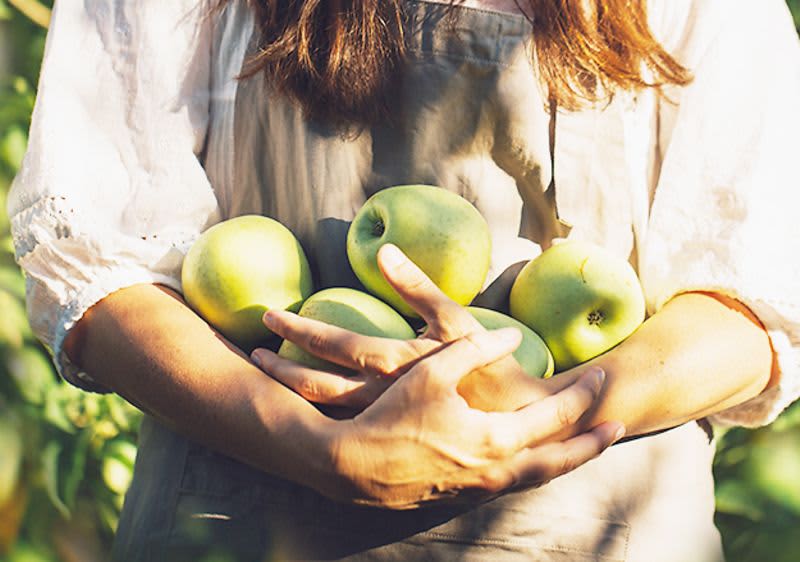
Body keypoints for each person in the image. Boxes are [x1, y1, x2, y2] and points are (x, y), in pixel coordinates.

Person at [7, 0, 799, 560]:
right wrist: (317, 450)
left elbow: (756, 299)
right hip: (248, 523)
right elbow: (93, 267)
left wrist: (557, 403)